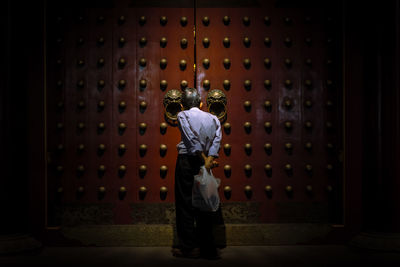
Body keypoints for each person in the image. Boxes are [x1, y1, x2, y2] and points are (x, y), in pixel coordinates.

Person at [172, 87, 223, 259]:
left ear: (181, 104)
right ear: (201, 103)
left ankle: (189, 248)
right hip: (206, 163)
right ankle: (207, 246)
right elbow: (217, 139)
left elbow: (190, 140)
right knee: (205, 204)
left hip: (187, 161)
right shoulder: (214, 118)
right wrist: (208, 160)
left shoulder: (182, 115)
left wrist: (203, 158)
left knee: (185, 203)